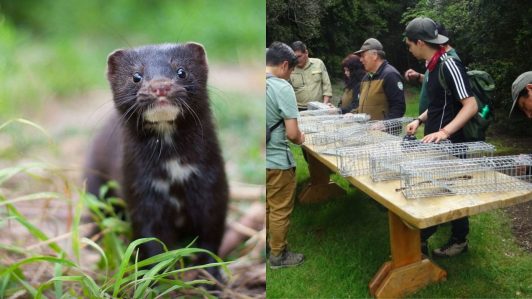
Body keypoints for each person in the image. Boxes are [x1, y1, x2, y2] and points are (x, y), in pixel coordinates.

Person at [404, 17, 478, 257]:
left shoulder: (449, 64)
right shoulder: (432, 64)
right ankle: (422, 240)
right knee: (437, 189)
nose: (409, 49)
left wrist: (445, 131)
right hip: (436, 142)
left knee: (451, 192)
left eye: (409, 44)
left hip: (452, 143)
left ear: (420, 42)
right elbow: (437, 104)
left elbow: (471, 105)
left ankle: (458, 241)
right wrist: (420, 120)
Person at [266, 41, 306, 269]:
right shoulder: (281, 87)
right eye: (291, 70)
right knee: (279, 209)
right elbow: (292, 133)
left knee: (265, 207)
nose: (290, 76)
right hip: (276, 162)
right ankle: (278, 256)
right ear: (284, 65)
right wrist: (301, 139)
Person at [404, 23, 461, 114]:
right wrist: (419, 76)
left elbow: (468, 104)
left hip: (443, 123)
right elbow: (439, 82)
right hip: (432, 119)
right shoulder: (435, 60)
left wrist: (447, 129)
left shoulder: (450, 62)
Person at [354, 38, 406, 120]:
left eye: (363, 56)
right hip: (367, 131)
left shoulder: (390, 75)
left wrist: (385, 125)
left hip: (385, 132)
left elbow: (398, 108)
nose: (361, 60)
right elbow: (362, 106)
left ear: (375, 55)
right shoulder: (365, 78)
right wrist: (353, 114)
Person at [289, 41, 333, 110]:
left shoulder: (318, 63)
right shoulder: (290, 69)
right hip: (298, 108)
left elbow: (327, 86)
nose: (297, 60)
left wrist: (324, 105)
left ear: (306, 53)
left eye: (299, 56)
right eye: (295, 57)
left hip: (319, 106)